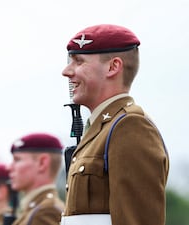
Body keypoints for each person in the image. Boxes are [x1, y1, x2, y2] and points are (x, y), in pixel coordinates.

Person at [61, 24, 169, 225]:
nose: (66, 71)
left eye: (78, 62)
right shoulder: (103, 130)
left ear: (113, 67)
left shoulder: (130, 127)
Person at [8, 132, 65, 225]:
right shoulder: (36, 209)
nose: (9, 167)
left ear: (42, 163)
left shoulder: (46, 211)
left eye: (17, 159)